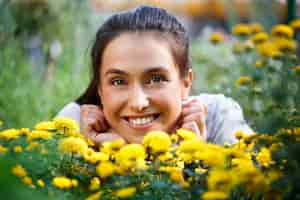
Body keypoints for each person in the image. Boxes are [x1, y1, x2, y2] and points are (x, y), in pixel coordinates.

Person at [58, 6, 253, 145]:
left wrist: (195, 161)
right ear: (100, 89)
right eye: (118, 81)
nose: (138, 103)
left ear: (186, 82)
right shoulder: (73, 126)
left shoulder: (217, 117)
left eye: (156, 79)